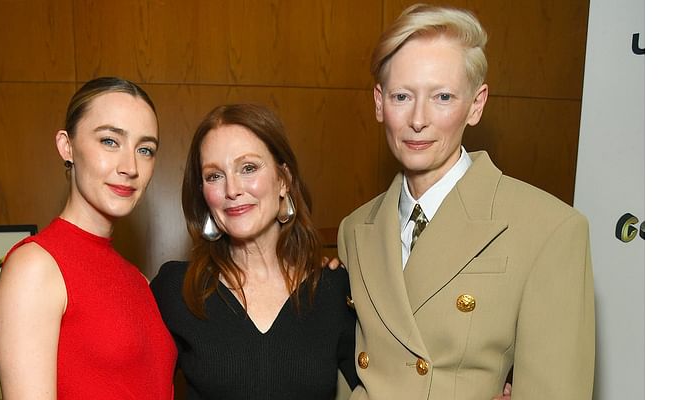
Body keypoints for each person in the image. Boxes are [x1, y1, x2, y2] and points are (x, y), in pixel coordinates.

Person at [336, 4, 595, 399]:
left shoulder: (549, 228)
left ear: (476, 104)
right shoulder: (354, 229)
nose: (418, 119)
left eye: (442, 96)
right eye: (402, 96)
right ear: (378, 102)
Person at [151, 103, 359, 399]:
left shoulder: (333, 288)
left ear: (283, 180)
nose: (232, 189)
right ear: (203, 193)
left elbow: (387, 381)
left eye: (248, 168)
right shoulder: (177, 290)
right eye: (214, 176)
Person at [0, 77, 177, 399]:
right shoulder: (36, 266)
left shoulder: (137, 279)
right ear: (67, 147)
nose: (130, 166)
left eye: (145, 149)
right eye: (109, 141)